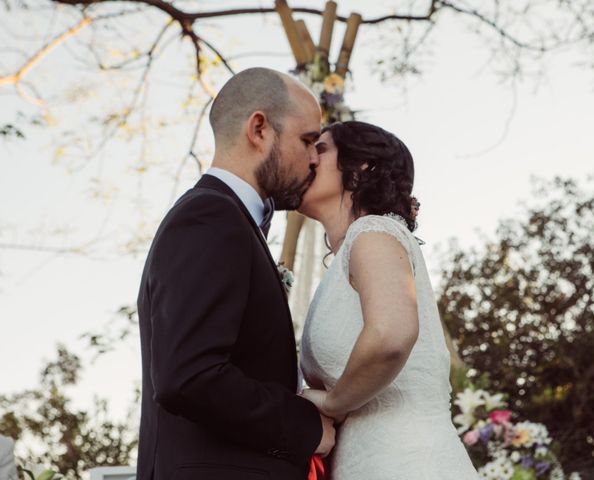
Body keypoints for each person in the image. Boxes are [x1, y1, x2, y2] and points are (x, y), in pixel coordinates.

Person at [136, 67, 335, 480]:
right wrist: (305, 425)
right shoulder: (210, 216)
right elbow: (188, 376)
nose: (314, 158)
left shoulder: (228, 220)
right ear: (259, 129)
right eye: (307, 141)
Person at [298, 121, 480, 479]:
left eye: (319, 149)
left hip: (408, 461)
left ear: (361, 167)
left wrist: (333, 403)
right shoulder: (348, 257)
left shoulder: (373, 233)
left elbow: (392, 333)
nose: (308, 158)